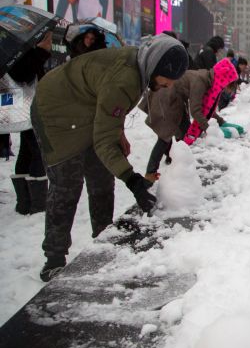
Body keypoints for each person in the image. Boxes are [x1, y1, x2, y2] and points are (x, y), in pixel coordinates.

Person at [32, 34, 189, 282]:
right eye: (167, 81)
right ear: (156, 68)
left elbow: (108, 108)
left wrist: (119, 131)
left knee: (102, 179)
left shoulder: (141, 66)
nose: (169, 86)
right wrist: (133, 180)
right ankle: (53, 260)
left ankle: (103, 241)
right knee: (67, 184)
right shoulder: (126, 78)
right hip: (55, 110)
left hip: (87, 109)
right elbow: (104, 137)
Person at [141, 59, 240, 179]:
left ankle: (174, 161)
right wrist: (209, 129)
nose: (224, 88)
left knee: (183, 132)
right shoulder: (200, 82)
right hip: (166, 97)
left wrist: (221, 122)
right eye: (226, 84)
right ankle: (150, 173)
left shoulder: (208, 79)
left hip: (174, 99)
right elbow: (196, 111)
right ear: (222, 79)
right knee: (165, 137)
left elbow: (206, 109)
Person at [3, 32, 52, 215]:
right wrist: (41, 51)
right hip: (28, 107)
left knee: (27, 150)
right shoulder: (15, 48)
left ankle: (25, 203)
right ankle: (37, 204)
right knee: (37, 151)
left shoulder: (17, 47)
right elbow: (22, 73)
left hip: (29, 107)